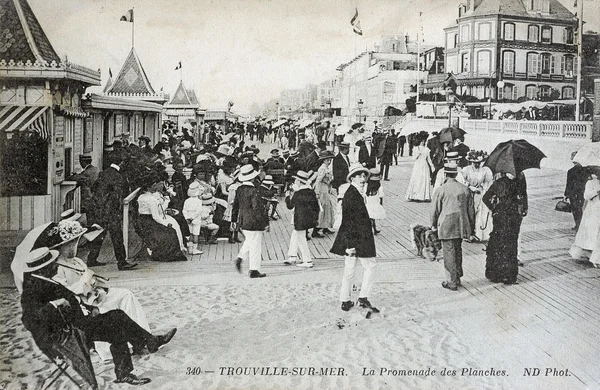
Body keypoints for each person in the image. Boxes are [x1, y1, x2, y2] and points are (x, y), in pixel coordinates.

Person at [20, 247, 177, 385]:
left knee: (117, 317)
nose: (56, 265)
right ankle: (143, 348)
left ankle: (143, 348)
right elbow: (29, 320)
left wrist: (89, 307)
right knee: (117, 322)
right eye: (52, 263)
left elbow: (71, 298)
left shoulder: (45, 280)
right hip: (67, 335)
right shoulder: (31, 290)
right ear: (43, 268)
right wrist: (55, 305)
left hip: (79, 323)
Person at [30, 220, 151, 361]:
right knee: (106, 309)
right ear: (62, 246)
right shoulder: (57, 268)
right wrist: (85, 282)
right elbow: (66, 291)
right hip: (82, 301)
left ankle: (141, 339)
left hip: (93, 294)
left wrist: (98, 287)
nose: (74, 246)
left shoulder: (76, 261)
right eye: (72, 243)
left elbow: (91, 278)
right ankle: (112, 349)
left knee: (125, 294)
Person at [331, 164, 378, 312]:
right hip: (358, 240)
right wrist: (350, 245)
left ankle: (345, 300)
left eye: (364, 176)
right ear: (352, 178)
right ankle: (363, 298)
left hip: (355, 239)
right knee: (370, 266)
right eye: (359, 176)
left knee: (350, 269)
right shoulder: (352, 195)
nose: (363, 179)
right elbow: (348, 222)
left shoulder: (354, 192)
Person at [88, 149, 137, 271]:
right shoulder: (118, 177)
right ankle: (122, 262)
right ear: (122, 162)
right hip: (110, 211)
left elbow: (95, 188)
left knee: (99, 234)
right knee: (117, 237)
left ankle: (91, 259)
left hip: (98, 208)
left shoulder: (103, 173)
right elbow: (118, 197)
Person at [431, 162, 474, 291]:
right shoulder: (465, 189)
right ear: (455, 174)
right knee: (457, 249)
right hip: (461, 225)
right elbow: (471, 210)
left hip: (446, 225)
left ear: (445, 174)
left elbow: (435, 210)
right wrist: (471, 227)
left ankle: (451, 281)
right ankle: (458, 277)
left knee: (448, 252)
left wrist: (433, 224)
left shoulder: (441, 190)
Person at [483, 171, 528, 284]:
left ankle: (495, 274)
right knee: (511, 245)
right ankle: (509, 276)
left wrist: (493, 208)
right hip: (513, 218)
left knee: (498, 243)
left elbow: (485, 198)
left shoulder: (499, 183)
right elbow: (524, 196)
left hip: (500, 217)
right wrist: (524, 209)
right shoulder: (519, 182)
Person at [136, 172, 188, 262]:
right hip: (149, 222)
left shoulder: (143, 196)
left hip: (143, 220)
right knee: (170, 232)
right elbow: (155, 216)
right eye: (155, 185)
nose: (156, 187)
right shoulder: (150, 199)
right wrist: (165, 223)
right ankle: (165, 254)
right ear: (150, 187)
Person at [233, 165, 270, 278]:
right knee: (255, 246)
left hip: (243, 220)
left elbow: (235, 206)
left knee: (249, 241)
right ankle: (254, 269)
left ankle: (240, 257)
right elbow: (257, 209)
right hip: (254, 221)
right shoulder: (254, 191)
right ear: (253, 178)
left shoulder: (239, 189)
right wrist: (265, 223)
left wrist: (233, 220)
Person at [284, 171, 320, 268]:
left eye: (296, 180)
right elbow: (316, 207)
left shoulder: (298, 193)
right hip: (309, 220)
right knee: (295, 235)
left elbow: (290, 206)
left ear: (299, 182)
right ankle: (292, 256)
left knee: (301, 240)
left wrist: (287, 197)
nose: (295, 182)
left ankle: (307, 260)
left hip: (300, 220)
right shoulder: (311, 192)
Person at [569, 172, 600, 267]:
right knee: (591, 234)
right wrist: (597, 191)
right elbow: (586, 196)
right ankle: (590, 254)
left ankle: (596, 256)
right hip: (593, 212)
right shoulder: (591, 183)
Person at [462, 150, 494, 242]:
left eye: (478, 163)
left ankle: (477, 233)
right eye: (475, 163)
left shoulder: (484, 171)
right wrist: (470, 187)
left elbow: (488, 182)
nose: (477, 165)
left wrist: (484, 190)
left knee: (478, 212)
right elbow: (462, 181)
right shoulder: (466, 169)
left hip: (479, 194)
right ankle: (468, 234)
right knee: (468, 212)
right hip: (468, 193)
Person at [564, 152, 590, 231]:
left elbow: (568, 184)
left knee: (575, 210)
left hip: (573, 193)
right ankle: (580, 224)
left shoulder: (571, 171)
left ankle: (578, 224)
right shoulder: (585, 170)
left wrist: (566, 194)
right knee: (580, 208)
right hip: (582, 192)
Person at [314, 151, 336, 235]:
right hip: (322, 189)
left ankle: (326, 226)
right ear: (323, 160)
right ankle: (316, 230)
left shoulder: (327, 168)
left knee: (328, 208)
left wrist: (330, 187)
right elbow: (318, 181)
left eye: (330, 160)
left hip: (326, 189)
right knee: (322, 208)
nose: (329, 161)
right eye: (327, 160)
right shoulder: (322, 169)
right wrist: (317, 192)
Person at [405, 134, 433, 201]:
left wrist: (432, 166)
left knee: (423, 180)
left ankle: (423, 196)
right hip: (417, 165)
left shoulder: (427, 149)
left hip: (424, 165)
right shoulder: (415, 148)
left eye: (424, 141)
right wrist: (417, 155)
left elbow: (429, 159)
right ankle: (414, 195)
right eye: (422, 141)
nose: (423, 142)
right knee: (416, 180)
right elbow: (413, 158)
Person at [182, 182, 205, 255]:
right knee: (196, 234)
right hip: (196, 218)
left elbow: (184, 210)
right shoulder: (198, 201)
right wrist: (192, 218)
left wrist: (187, 218)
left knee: (191, 233)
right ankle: (195, 249)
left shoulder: (187, 201)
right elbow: (199, 211)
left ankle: (190, 249)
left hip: (188, 218)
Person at [366, 168, 386, 235]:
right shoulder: (379, 186)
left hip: (368, 202)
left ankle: (374, 229)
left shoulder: (366, 185)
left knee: (370, 217)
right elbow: (381, 196)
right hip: (375, 203)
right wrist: (381, 205)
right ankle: (371, 230)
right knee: (372, 217)